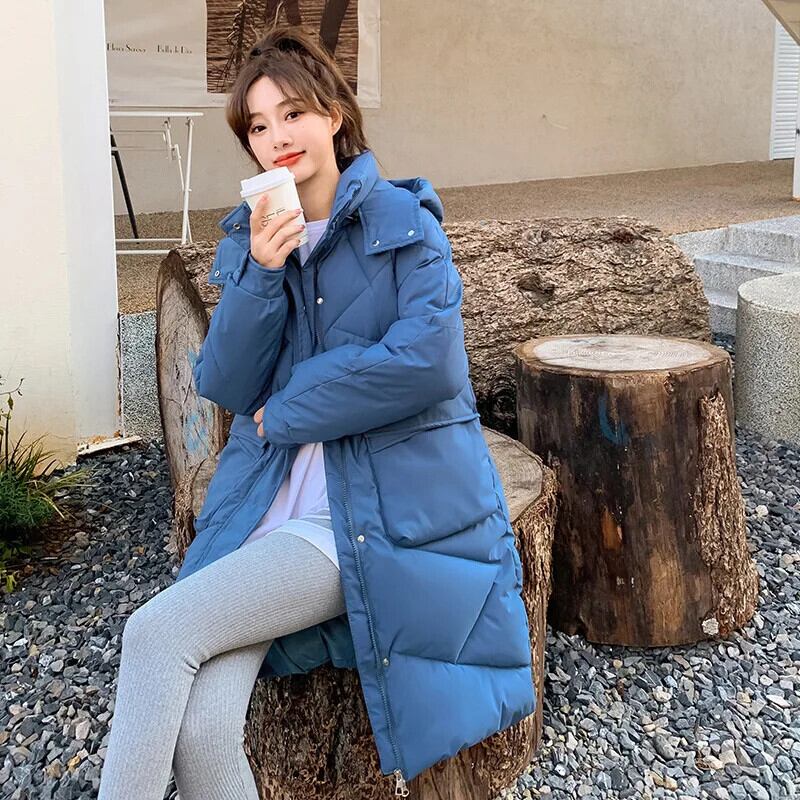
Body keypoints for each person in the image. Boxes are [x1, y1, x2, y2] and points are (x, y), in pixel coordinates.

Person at [98, 22, 535, 800]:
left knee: (155, 633)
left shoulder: (405, 225)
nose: (277, 138)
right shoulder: (256, 242)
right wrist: (262, 275)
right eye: (258, 126)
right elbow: (227, 382)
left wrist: (295, 408)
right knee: (204, 726)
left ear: (334, 113)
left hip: (360, 517)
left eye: (293, 114)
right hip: (263, 506)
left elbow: (427, 364)